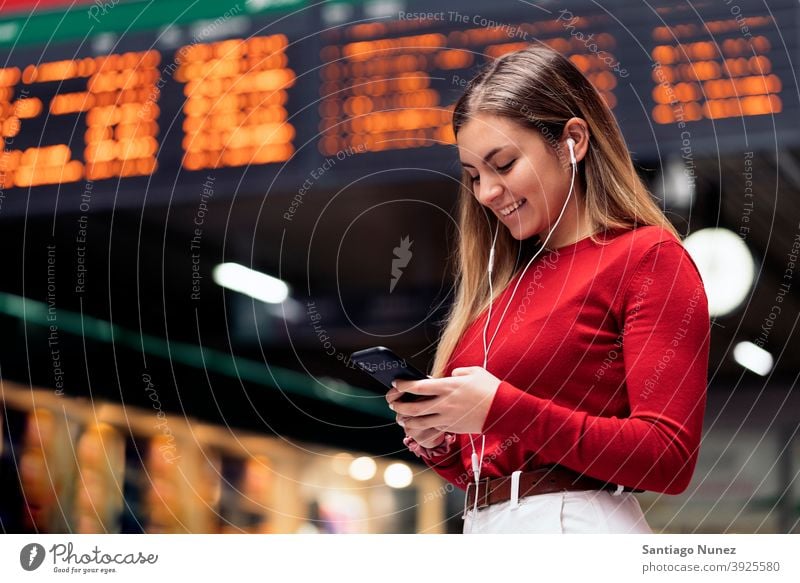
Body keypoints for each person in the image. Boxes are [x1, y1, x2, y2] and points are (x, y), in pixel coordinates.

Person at [386, 44, 710, 534]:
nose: (486, 192)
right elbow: (493, 465)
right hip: (488, 527)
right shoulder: (501, 289)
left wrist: (501, 408)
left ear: (572, 141)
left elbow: (667, 458)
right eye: (473, 175)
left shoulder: (647, 258)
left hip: (573, 528)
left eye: (504, 163)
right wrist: (440, 442)